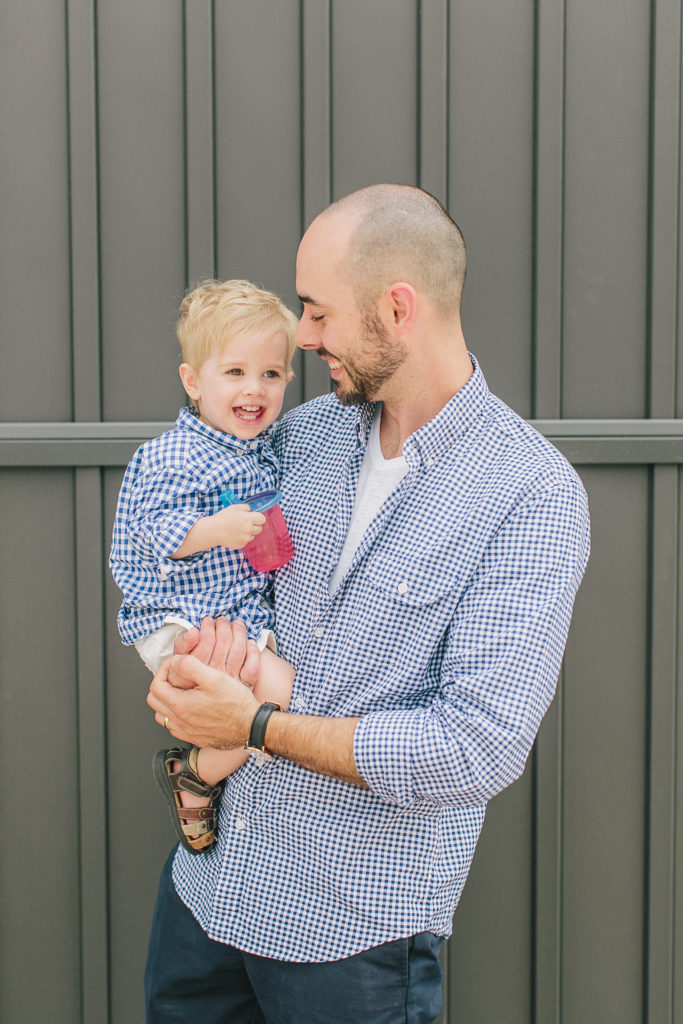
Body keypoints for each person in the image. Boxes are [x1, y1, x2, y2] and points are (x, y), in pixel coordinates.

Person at [145, 184, 591, 1023]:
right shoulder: (302, 438)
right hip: (210, 891)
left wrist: (250, 728)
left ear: (396, 308)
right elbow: (207, 567)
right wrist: (186, 681)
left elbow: (473, 750)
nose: (302, 337)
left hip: (352, 940)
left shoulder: (528, 496)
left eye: (317, 313)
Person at [110, 278, 297, 853]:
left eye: (270, 373)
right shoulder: (175, 454)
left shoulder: (261, 447)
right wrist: (215, 531)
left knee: (271, 699)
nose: (255, 388)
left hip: (230, 611)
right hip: (177, 616)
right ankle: (196, 774)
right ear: (193, 381)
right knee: (284, 696)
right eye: (234, 372)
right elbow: (150, 529)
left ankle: (199, 774)